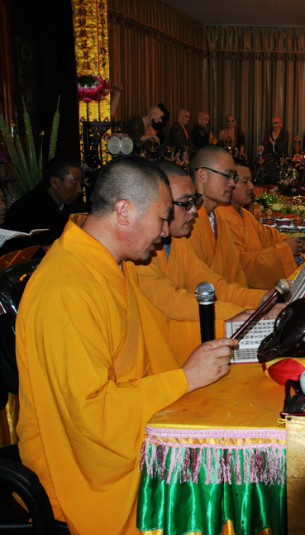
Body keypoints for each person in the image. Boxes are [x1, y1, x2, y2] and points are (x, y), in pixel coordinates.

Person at [16, 156, 238, 533]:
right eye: (162, 218)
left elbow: (154, 341)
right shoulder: (67, 288)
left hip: (133, 430)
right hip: (87, 472)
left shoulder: (115, 264)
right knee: (213, 505)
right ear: (123, 211)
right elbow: (92, 418)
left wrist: (198, 375)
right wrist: (184, 379)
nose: (166, 233)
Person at [135, 160, 269, 332]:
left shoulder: (178, 241)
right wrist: (248, 315)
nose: (193, 210)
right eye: (185, 203)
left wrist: (263, 299)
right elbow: (173, 303)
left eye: (195, 201)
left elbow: (213, 286)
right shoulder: (138, 252)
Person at [217, 160, 305, 289]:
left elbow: (268, 237)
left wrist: (299, 244)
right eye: (245, 182)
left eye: (251, 181)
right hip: (241, 291)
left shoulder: (245, 214)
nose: (251, 187)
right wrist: (286, 249)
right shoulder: (222, 218)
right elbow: (240, 265)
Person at [186, 145, 256, 288]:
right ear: (202, 175)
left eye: (233, 177)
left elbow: (236, 273)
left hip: (231, 297)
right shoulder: (188, 222)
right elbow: (200, 283)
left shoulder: (219, 217)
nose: (232, 183)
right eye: (227, 176)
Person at [5, 158, 83, 244]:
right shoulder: (25, 210)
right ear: (55, 182)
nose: (79, 189)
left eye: (80, 183)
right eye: (75, 183)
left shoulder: (74, 209)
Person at [258, 116, 291, 182]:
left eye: (276, 123)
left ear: (280, 124)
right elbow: (264, 143)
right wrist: (261, 147)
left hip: (281, 156)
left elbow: (283, 147)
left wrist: (273, 143)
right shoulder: (269, 132)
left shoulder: (284, 133)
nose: (274, 125)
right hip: (270, 155)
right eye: (272, 123)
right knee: (259, 162)